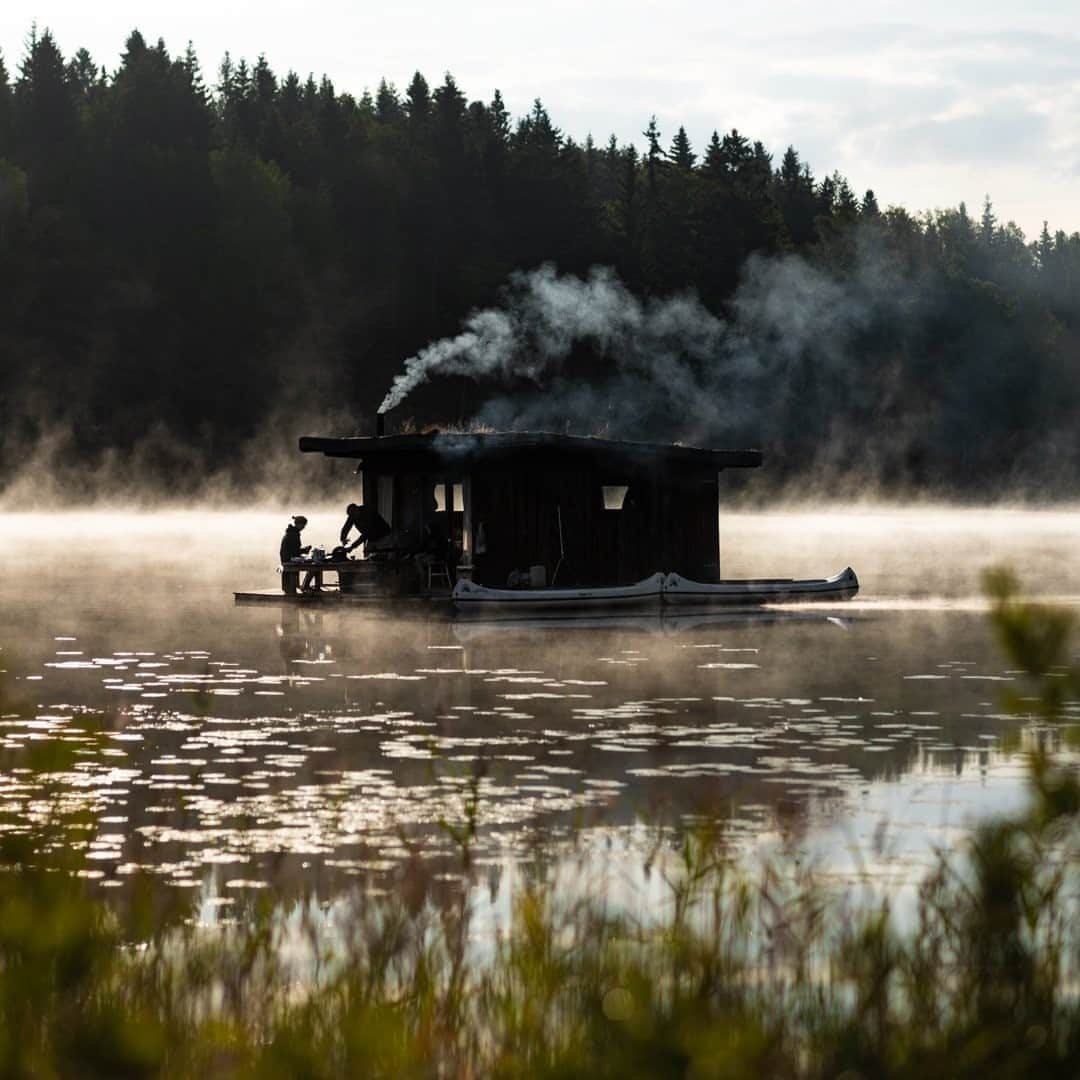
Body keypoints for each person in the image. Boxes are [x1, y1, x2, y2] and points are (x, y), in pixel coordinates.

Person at [279, 515, 315, 594]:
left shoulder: (292, 532)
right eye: (303, 525)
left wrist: (303, 550)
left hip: (288, 557)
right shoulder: (293, 534)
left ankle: (304, 586)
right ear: (298, 524)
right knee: (313, 566)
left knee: (311, 563)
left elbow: (294, 550)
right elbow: (294, 551)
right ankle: (304, 586)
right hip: (288, 559)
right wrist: (304, 551)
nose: (304, 527)